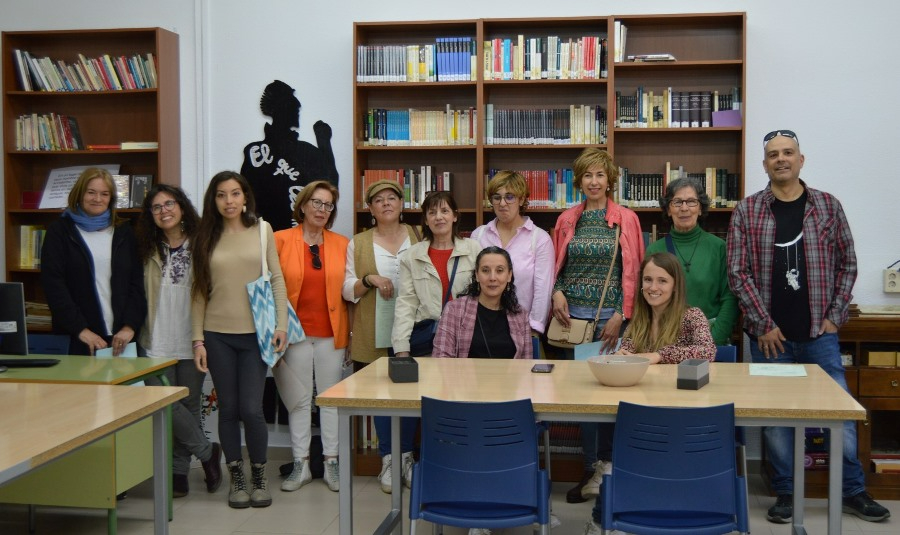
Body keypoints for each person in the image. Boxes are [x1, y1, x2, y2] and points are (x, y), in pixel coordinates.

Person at [727, 129, 890, 524]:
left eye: (788, 152)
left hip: (820, 336)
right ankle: (786, 493)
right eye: (772, 154)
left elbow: (848, 264)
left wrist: (834, 316)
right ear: (764, 164)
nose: (780, 159)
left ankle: (852, 491)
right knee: (777, 418)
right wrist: (763, 324)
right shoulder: (748, 211)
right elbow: (738, 271)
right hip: (770, 341)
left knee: (841, 417)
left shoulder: (828, 206)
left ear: (801, 159)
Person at [582, 252, 715, 535]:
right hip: (642, 411)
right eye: (647, 280)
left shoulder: (692, 316)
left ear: (676, 285)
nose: (653, 287)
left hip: (677, 413)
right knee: (607, 405)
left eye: (662, 281)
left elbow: (707, 351)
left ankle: (605, 487)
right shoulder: (639, 318)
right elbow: (629, 351)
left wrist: (657, 355)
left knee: (619, 448)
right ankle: (602, 502)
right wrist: (621, 355)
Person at [551, 148, 644, 504]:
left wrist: (623, 312)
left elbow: (632, 269)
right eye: (587, 175)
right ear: (579, 181)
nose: (594, 182)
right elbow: (557, 266)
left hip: (610, 322)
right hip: (571, 321)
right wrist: (557, 292)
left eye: (600, 175)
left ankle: (606, 468)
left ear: (610, 180)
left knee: (609, 398)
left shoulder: (626, 219)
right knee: (582, 399)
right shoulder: (566, 220)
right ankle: (592, 469)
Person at [192, 171, 288, 509]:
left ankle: (259, 475)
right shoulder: (205, 237)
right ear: (213, 200)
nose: (229, 201)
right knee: (229, 409)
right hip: (217, 336)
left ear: (245, 197)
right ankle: (236, 478)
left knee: (252, 409)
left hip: (256, 335)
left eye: (235, 193)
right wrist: (197, 341)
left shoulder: (263, 230)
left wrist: (281, 325)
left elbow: (276, 278)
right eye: (221, 195)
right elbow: (199, 293)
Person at [136, 184, 221, 498]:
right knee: (165, 404)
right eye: (156, 208)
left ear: (182, 207)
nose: (163, 211)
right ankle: (207, 451)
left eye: (169, 204)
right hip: (154, 340)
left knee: (185, 404)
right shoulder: (146, 247)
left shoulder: (203, 244)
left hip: (192, 338)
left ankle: (178, 473)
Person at [341, 179, 420, 494]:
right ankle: (389, 458)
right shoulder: (357, 243)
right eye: (378, 200)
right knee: (382, 396)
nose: (386, 203)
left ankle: (407, 458)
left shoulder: (417, 236)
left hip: (414, 329)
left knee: (413, 394)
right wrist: (368, 278)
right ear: (370, 208)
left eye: (392, 198)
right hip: (373, 328)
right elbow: (347, 289)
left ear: (402, 204)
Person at [273, 180, 349, 493]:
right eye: (316, 203)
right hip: (294, 335)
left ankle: (331, 461)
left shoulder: (342, 244)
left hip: (331, 333)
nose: (321, 210)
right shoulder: (279, 240)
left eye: (328, 205)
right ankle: (301, 464)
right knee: (299, 401)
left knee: (330, 399)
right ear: (303, 205)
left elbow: (349, 292)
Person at [41, 167, 145, 357]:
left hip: (121, 340)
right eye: (91, 192)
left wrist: (130, 326)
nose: (98, 199)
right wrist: (82, 330)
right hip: (78, 338)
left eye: (104, 194)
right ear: (79, 194)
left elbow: (138, 284)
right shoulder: (60, 232)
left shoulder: (125, 232)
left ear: (111, 199)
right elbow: (54, 287)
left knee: (125, 387)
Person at [646, 178, 738, 346]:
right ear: (668, 209)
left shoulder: (719, 248)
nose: (684, 208)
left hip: (711, 338)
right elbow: (648, 299)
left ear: (701, 209)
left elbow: (730, 297)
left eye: (691, 202)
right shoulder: (654, 250)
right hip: (666, 340)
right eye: (677, 202)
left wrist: (713, 339)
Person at [471, 171, 554, 354]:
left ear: (522, 199)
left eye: (509, 197)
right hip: (482, 327)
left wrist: (533, 328)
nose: (502, 203)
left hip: (523, 329)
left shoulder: (539, 238)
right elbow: (472, 282)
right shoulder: (479, 235)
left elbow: (543, 289)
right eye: (497, 197)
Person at [392, 191, 481, 358]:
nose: (438, 217)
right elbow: (406, 303)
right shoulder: (412, 256)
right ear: (426, 220)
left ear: (455, 216)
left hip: (469, 338)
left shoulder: (474, 250)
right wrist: (401, 347)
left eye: (444, 211)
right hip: (429, 340)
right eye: (432, 213)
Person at [433, 246, 533, 360]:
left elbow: (526, 364)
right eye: (485, 270)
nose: (492, 277)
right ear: (477, 275)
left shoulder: (520, 315)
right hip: (464, 377)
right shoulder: (454, 309)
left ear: (509, 275)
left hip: (510, 378)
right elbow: (440, 358)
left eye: (499, 270)